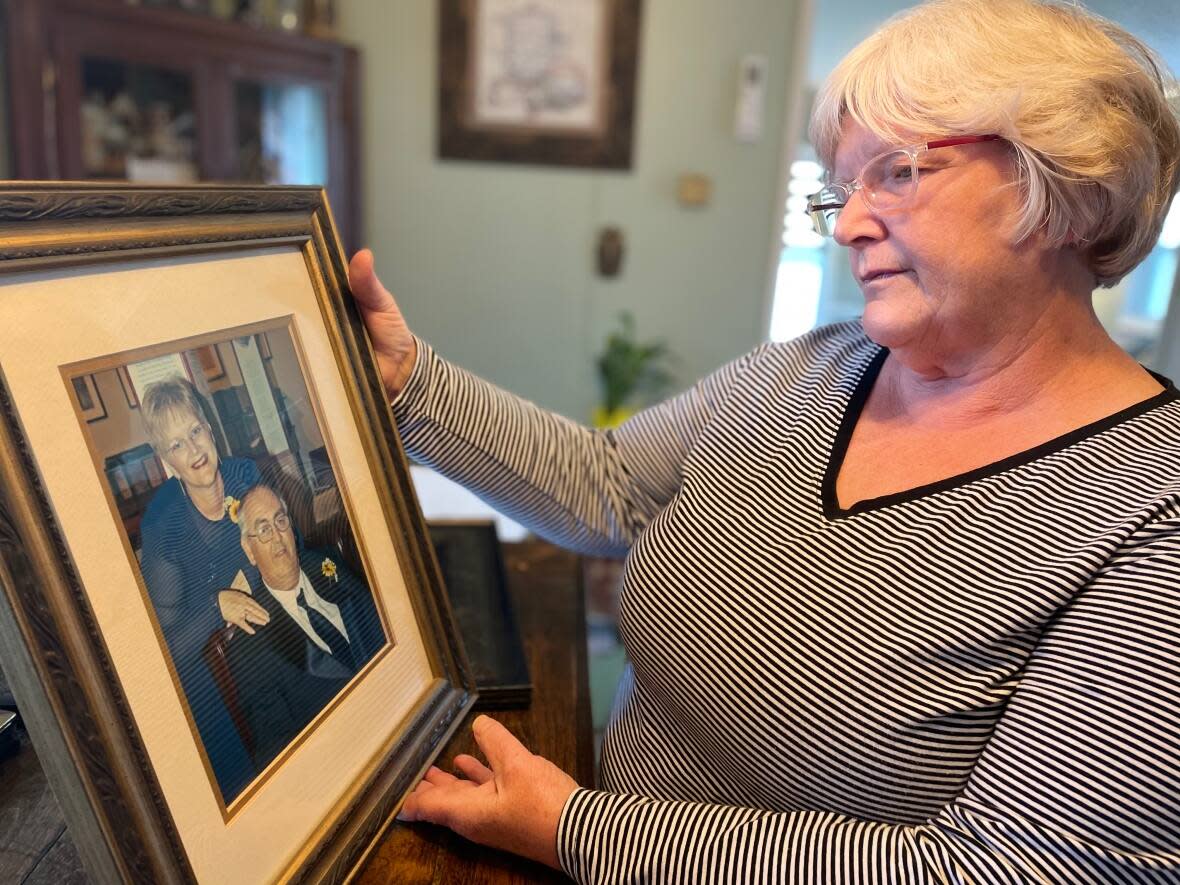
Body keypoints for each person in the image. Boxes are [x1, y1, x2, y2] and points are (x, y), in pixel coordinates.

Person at [351, 0, 1180, 880]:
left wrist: (573, 828)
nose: (850, 224)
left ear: (1071, 188)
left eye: (896, 172)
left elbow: (998, 866)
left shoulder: (1153, 513)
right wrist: (409, 382)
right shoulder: (814, 367)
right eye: (842, 188)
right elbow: (609, 484)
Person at [138, 375, 272, 799]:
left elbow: (289, 544)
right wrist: (217, 606)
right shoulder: (164, 528)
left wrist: (250, 578)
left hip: (264, 633)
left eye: (195, 432)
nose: (194, 451)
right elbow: (164, 652)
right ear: (166, 462)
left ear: (209, 429)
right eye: (177, 445)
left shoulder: (244, 475)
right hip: (202, 667)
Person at [222, 484, 386, 767]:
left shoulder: (327, 562)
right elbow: (278, 751)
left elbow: (381, 624)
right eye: (263, 529)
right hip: (346, 761)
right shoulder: (249, 647)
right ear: (249, 550)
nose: (277, 537)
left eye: (281, 520)